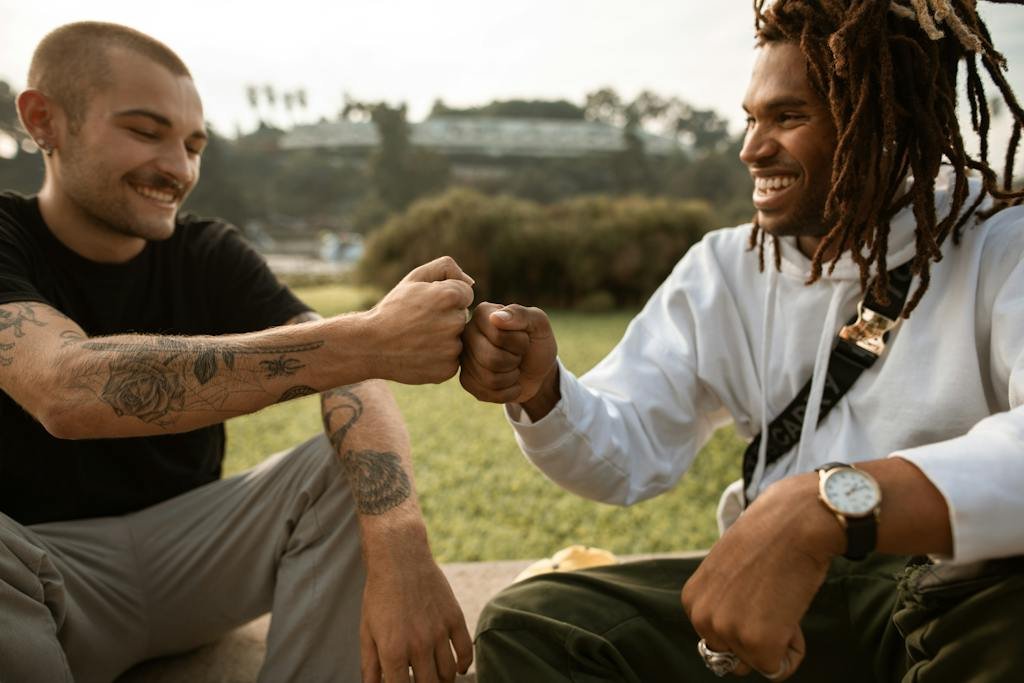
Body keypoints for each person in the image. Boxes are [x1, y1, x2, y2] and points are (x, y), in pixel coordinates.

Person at [459, 1, 1024, 681]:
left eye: (787, 118)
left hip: (947, 590)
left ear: (884, 122)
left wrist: (825, 505)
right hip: (777, 609)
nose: (751, 148)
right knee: (538, 623)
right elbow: (631, 445)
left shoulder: (1000, 243)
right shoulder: (725, 266)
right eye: (752, 117)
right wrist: (543, 390)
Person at [0, 21, 474, 683]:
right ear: (43, 119)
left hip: (190, 562)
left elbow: (357, 380)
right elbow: (66, 388)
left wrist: (401, 539)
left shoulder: (208, 251)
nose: (179, 168)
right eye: (144, 131)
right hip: (40, 574)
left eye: (193, 144)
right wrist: (368, 336)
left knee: (349, 466)